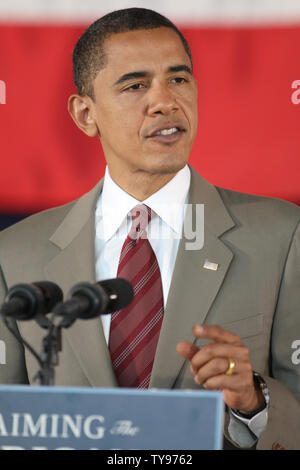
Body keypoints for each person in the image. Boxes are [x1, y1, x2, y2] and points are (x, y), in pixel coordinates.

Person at [0, 8, 299, 450]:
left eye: (178, 79)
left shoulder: (282, 235)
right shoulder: (15, 254)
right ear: (85, 114)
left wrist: (254, 401)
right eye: (135, 85)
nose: (164, 101)